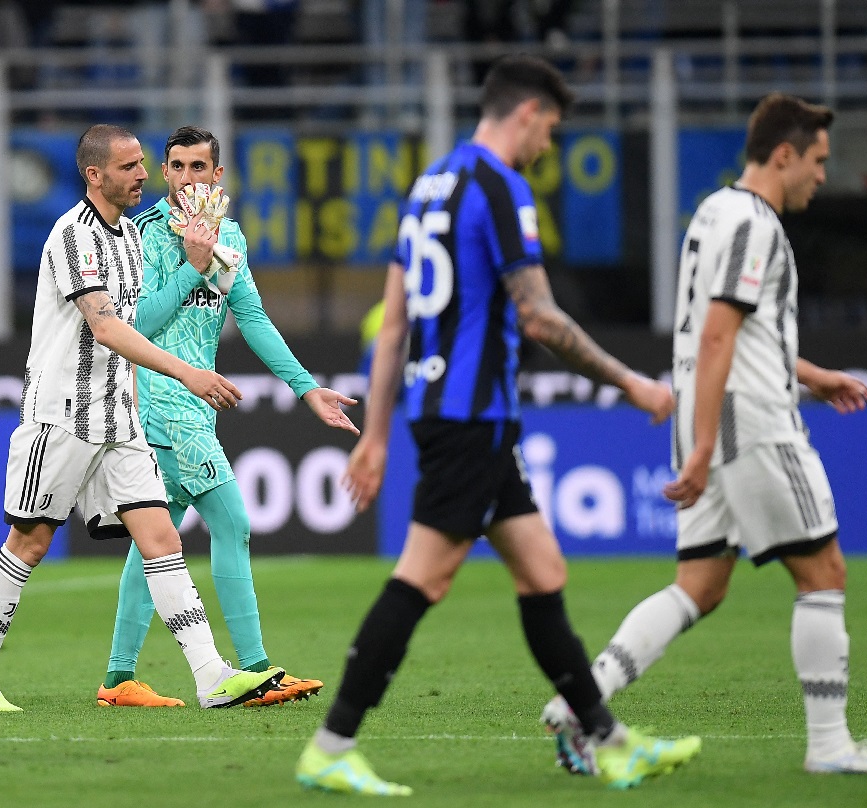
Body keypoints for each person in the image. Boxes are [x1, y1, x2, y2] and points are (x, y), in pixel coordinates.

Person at [294, 55, 702, 796]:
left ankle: (609, 741)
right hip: (470, 416)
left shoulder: (428, 186)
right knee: (423, 576)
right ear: (527, 113)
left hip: (447, 412)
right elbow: (539, 314)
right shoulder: (499, 186)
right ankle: (331, 743)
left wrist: (381, 434)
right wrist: (634, 382)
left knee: (542, 570)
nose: (549, 143)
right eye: (551, 125)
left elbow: (391, 332)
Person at [543, 92, 867, 776]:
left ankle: (581, 702)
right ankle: (829, 745)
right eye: (819, 161)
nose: (823, 176)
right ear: (783, 154)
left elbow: (734, 333)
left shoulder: (712, 213)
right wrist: (712, 442)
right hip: (750, 425)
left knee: (702, 583)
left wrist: (813, 375)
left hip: (708, 416)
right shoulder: (756, 225)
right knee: (823, 571)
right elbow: (717, 336)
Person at [0, 124, 283, 713]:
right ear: (94, 175)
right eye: (130, 166)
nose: (143, 176)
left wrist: (197, 264)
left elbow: (140, 322)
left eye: (139, 165)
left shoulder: (132, 236)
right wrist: (187, 373)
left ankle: (210, 675)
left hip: (121, 418)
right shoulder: (73, 236)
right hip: (63, 418)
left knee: (161, 538)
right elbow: (106, 327)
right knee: (28, 543)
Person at [95, 125, 359, 709]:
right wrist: (191, 264)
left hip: (197, 404)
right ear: (165, 174)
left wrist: (307, 388)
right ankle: (258, 670)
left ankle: (117, 679)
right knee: (233, 521)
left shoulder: (230, 237)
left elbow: (254, 319)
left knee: (153, 542)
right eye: (178, 167)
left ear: (218, 176)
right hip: (159, 399)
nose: (189, 177)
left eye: (200, 167)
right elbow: (136, 325)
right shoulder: (140, 235)